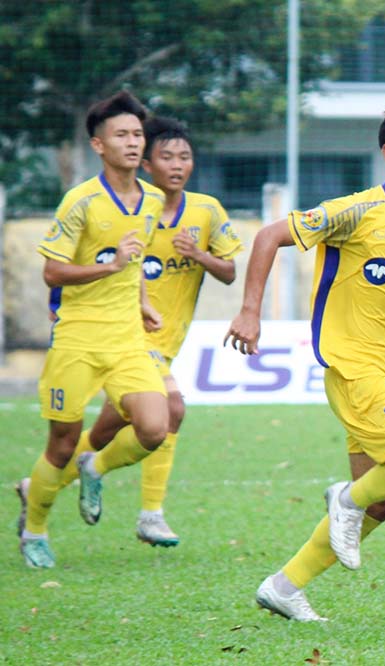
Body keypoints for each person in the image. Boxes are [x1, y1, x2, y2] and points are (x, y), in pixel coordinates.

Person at [224, 100, 385, 621]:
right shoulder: (357, 211)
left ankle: (284, 585)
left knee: (382, 503)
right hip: (351, 368)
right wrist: (250, 312)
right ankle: (344, 499)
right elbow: (268, 236)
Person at [42, 116, 244, 548]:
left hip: (167, 341)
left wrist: (200, 255)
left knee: (102, 437)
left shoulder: (206, 211)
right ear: (147, 164)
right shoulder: (127, 211)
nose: (177, 165)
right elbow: (87, 262)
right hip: (123, 338)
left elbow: (229, 272)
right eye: (166, 157)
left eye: (185, 157)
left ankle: (41, 486)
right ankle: (151, 513)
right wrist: (61, 307)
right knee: (171, 408)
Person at [15, 91, 169, 569]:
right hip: (77, 340)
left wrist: (143, 303)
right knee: (61, 443)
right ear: (98, 145)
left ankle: (96, 465)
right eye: (121, 134)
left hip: (126, 340)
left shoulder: (154, 199)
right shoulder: (80, 201)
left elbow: (135, 263)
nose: (132, 142)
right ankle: (35, 529)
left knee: (154, 428)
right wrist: (109, 268)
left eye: (138, 134)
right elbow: (52, 273)